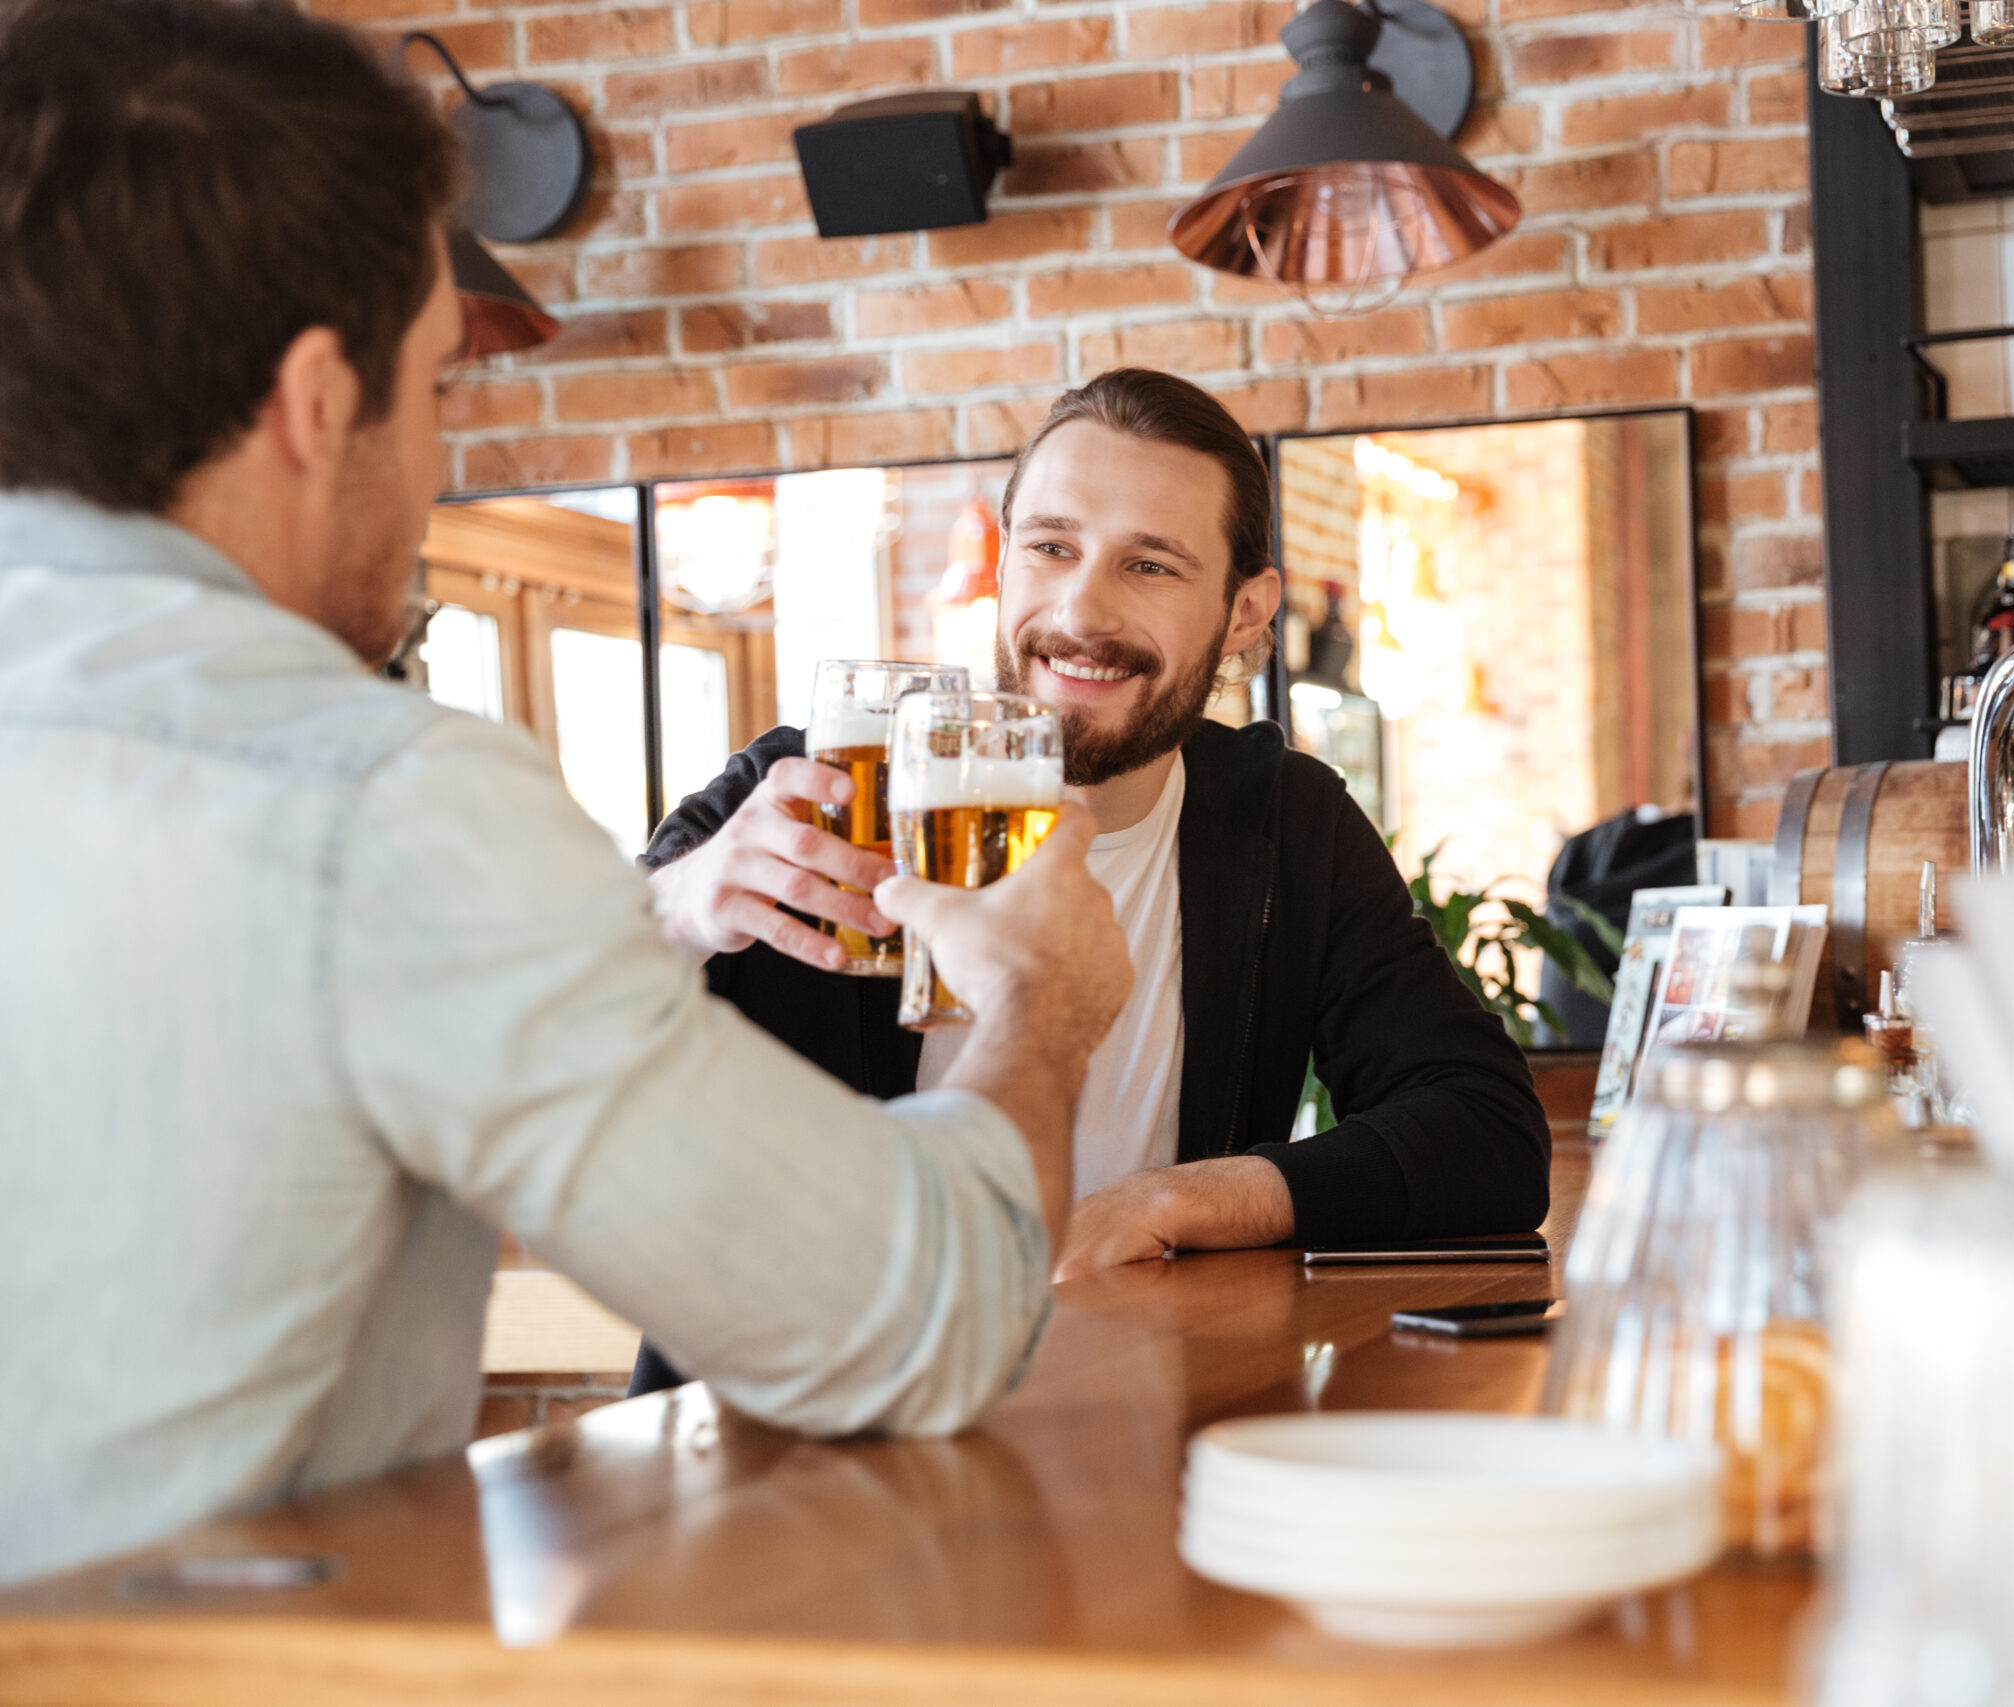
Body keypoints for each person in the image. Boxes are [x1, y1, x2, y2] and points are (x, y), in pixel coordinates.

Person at [0, 0, 1130, 1588]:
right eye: (440, 391)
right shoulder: (375, 803)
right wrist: (1038, 1009)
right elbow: (912, 1318)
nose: (439, 464)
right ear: (321, 402)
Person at [640, 370, 1551, 1325]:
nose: (1082, 613)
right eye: (1050, 546)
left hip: (1124, 1397)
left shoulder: (1287, 822)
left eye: (1149, 564)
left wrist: (1172, 1198)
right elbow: (521, 1020)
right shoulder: (808, 791)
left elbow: (1487, 1132)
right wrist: (677, 906)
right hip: (791, 1411)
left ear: (1246, 611)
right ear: (1004, 564)